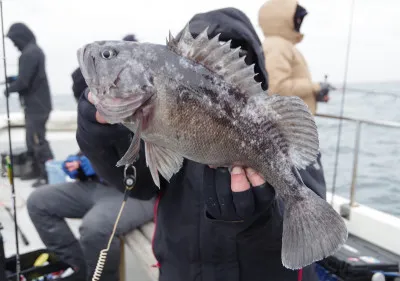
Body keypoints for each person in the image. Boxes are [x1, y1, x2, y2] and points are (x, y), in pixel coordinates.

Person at [76, 8, 323, 281]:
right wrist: (98, 130)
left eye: (108, 55)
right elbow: (141, 184)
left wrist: (262, 216)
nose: (98, 55)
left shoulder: (272, 126)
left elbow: (312, 193)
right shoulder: (143, 116)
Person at [26, 60, 155, 281]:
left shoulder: (139, 107)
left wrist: (98, 166)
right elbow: (88, 148)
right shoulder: (91, 114)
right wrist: (79, 164)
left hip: (134, 193)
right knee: (38, 201)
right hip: (95, 186)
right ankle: (78, 270)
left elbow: (149, 165)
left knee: (94, 228)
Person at [258, 0, 334, 116]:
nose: (299, 22)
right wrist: (316, 87)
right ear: (284, 19)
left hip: (292, 123)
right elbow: (277, 88)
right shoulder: (277, 46)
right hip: (287, 125)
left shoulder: (282, 45)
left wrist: (314, 95)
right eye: (297, 18)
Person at [4, 22, 54, 187]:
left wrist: (9, 89)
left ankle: (47, 174)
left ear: (21, 37)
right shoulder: (33, 50)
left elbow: (24, 82)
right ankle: (35, 170)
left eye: (14, 41)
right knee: (31, 139)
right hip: (38, 105)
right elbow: (28, 76)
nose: (14, 44)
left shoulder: (29, 54)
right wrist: (13, 79)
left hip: (37, 107)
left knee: (37, 140)